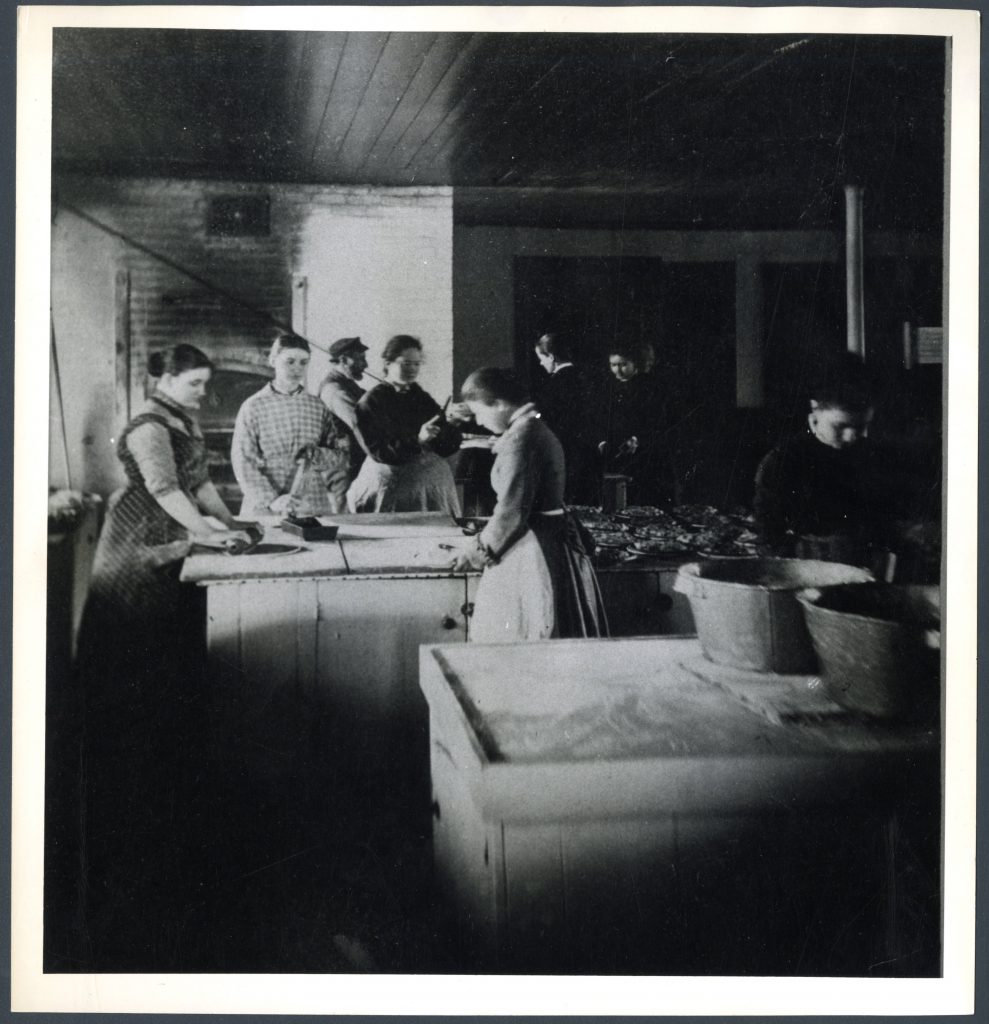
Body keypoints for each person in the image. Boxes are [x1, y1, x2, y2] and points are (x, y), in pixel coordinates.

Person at [73, 343, 253, 968]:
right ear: (168, 380)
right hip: (139, 544)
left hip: (174, 538)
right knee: (132, 652)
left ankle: (159, 756)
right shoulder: (150, 426)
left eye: (205, 384)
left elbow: (201, 484)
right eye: (197, 383)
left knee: (164, 659)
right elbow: (166, 489)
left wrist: (238, 522)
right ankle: (130, 769)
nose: (204, 393)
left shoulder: (182, 419)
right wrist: (211, 533)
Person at [449, 367, 607, 643]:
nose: (479, 421)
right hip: (549, 537)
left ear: (499, 404)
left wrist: (475, 553)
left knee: (525, 632)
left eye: (478, 413)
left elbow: (512, 512)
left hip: (532, 544)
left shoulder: (522, 440)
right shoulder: (532, 426)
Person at [753, 354, 891, 566]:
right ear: (814, 411)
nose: (851, 436)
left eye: (861, 426)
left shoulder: (873, 457)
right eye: (840, 426)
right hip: (804, 572)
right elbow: (769, 539)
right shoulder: (781, 463)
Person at [232, 333, 350, 519]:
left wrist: (317, 456)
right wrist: (273, 500)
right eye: (290, 361)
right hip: (266, 505)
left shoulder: (316, 406)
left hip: (310, 502)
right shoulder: (253, 406)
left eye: (304, 362)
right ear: (272, 360)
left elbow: (341, 456)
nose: (297, 369)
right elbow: (243, 462)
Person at [348, 334, 467, 513]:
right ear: (388, 363)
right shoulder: (370, 402)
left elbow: (444, 445)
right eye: (406, 363)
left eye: (417, 364)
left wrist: (453, 424)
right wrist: (417, 440)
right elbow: (379, 452)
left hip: (431, 490)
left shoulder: (419, 395)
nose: (412, 369)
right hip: (392, 488)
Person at [596, 340, 676, 506]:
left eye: (623, 364)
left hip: (646, 453)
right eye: (613, 365)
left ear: (636, 363)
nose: (617, 370)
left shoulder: (650, 386)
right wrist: (603, 439)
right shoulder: (610, 387)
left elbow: (658, 421)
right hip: (619, 452)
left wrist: (638, 438)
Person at [533, 331, 595, 503]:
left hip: (563, 447)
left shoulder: (555, 383)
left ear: (551, 357)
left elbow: (544, 416)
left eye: (542, 358)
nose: (540, 362)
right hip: (584, 449)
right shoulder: (584, 377)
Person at [318, 335, 370, 488]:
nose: (365, 365)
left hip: (355, 462)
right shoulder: (334, 390)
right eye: (361, 359)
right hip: (344, 469)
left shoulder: (349, 385)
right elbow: (361, 422)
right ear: (344, 360)